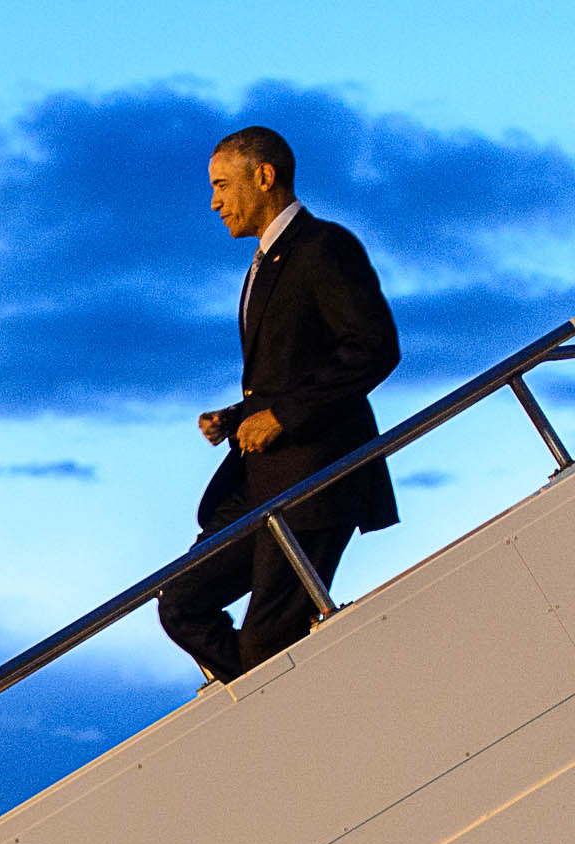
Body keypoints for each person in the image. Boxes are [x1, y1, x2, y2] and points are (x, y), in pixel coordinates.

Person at [155, 124, 400, 684]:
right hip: (257, 480)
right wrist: (238, 416)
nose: (214, 202)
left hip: (314, 481)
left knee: (270, 647)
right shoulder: (262, 265)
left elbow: (374, 348)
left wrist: (285, 416)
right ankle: (269, 691)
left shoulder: (324, 248)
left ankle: (275, 704)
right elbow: (293, 371)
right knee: (181, 601)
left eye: (221, 185)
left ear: (264, 177)